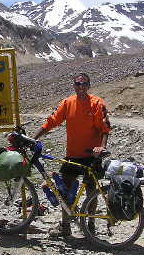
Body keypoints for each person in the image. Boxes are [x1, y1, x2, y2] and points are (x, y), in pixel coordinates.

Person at [33, 72, 111, 237]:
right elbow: (52, 121)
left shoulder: (97, 104)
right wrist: (34, 138)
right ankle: (66, 226)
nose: (80, 87)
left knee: (91, 190)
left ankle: (91, 225)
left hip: (91, 155)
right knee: (64, 190)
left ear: (89, 86)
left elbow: (105, 128)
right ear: (74, 86)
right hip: (73, 155)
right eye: (77, 84)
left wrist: (101, 148)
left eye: (84, 84)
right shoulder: (68, 103)